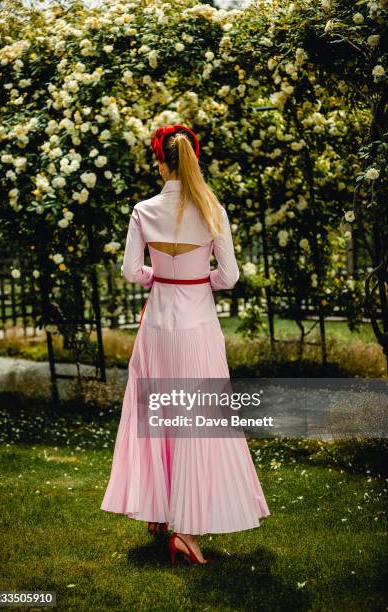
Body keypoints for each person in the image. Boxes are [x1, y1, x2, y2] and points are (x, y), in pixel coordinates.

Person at [101, 124, 270, 565]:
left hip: (157, 327)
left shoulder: (143, 210)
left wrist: (160, 277)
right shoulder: (213, 210)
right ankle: (187, 531)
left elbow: (130, 271)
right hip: (198, 327)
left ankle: (159, 510)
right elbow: (230, 277)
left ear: (160, 163)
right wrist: (201, 281)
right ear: (194, 158)